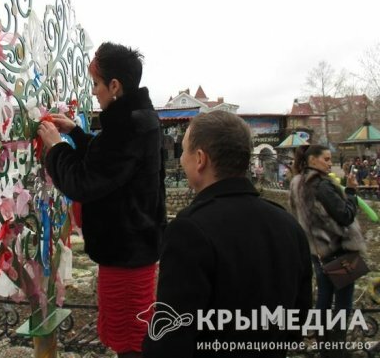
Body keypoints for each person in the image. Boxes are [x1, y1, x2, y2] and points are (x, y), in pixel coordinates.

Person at [142, 111, 312, 357]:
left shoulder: (189, 230)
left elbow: (171, 338)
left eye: (184, 151)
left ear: (200, 159)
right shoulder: (289, 225)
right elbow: (298, 320)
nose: (181, 159)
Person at [37, 42, 167, 358]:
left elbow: (85, 182)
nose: (94, 92)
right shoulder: (139, 117)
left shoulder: (127, 126)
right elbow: (111, 166)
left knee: (130, 341)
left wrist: (56, 149)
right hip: (133, 250)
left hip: (126, 257)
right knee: (133, 333)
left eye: (96, 84)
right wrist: (78, 135)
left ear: (115, 85)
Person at [288, 144, 366, 355]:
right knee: (343, 301)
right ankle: (337, 347)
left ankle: (323, 345)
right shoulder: (322, 185)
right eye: (326, 159)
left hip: (317, 252)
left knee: (323, 297)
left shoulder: (296, 182)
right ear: (312, 160)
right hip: (339, 249)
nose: (330, 163)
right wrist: (350, 192)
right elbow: (345, 215)